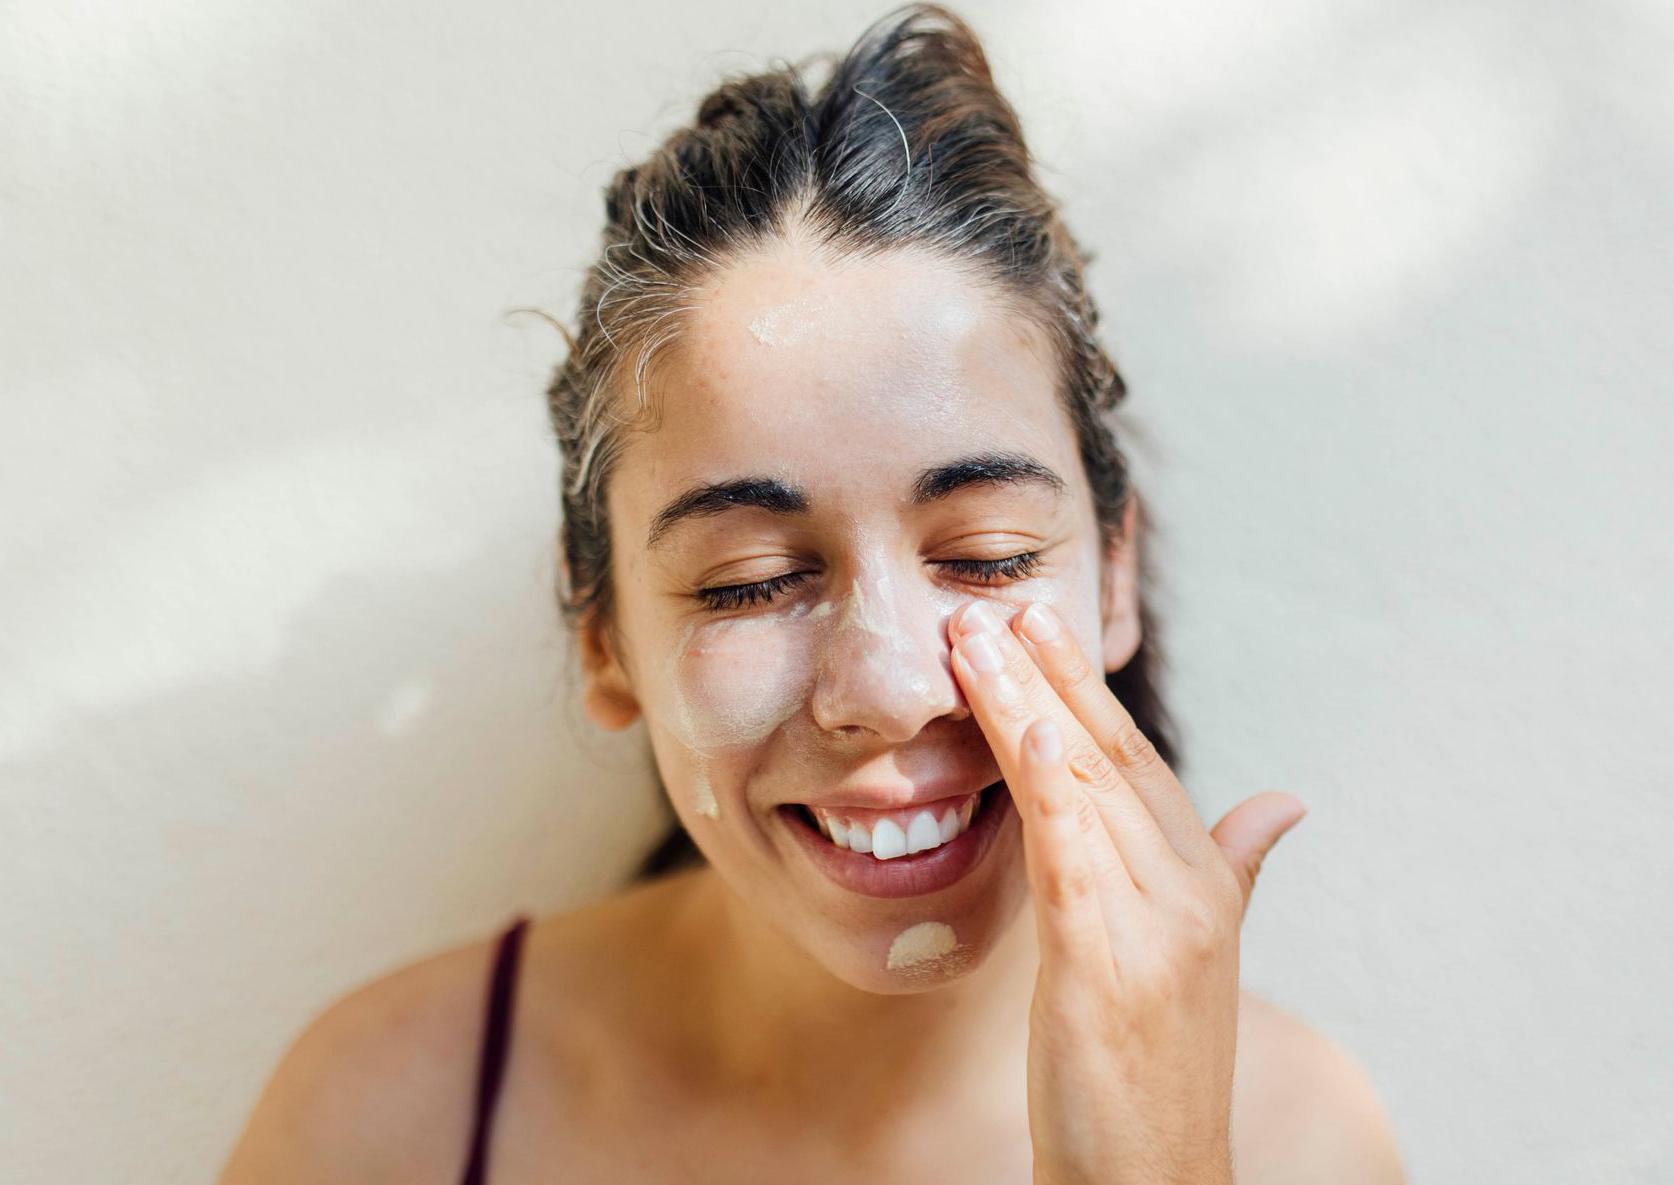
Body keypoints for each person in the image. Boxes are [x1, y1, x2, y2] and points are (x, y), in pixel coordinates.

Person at [218, 6, 1407, 1182]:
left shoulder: (1302, 1141)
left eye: (986, 555)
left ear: (1110, 576)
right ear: (603, 641)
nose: (887, 691)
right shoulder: (383, 1119)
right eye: (752, 582)